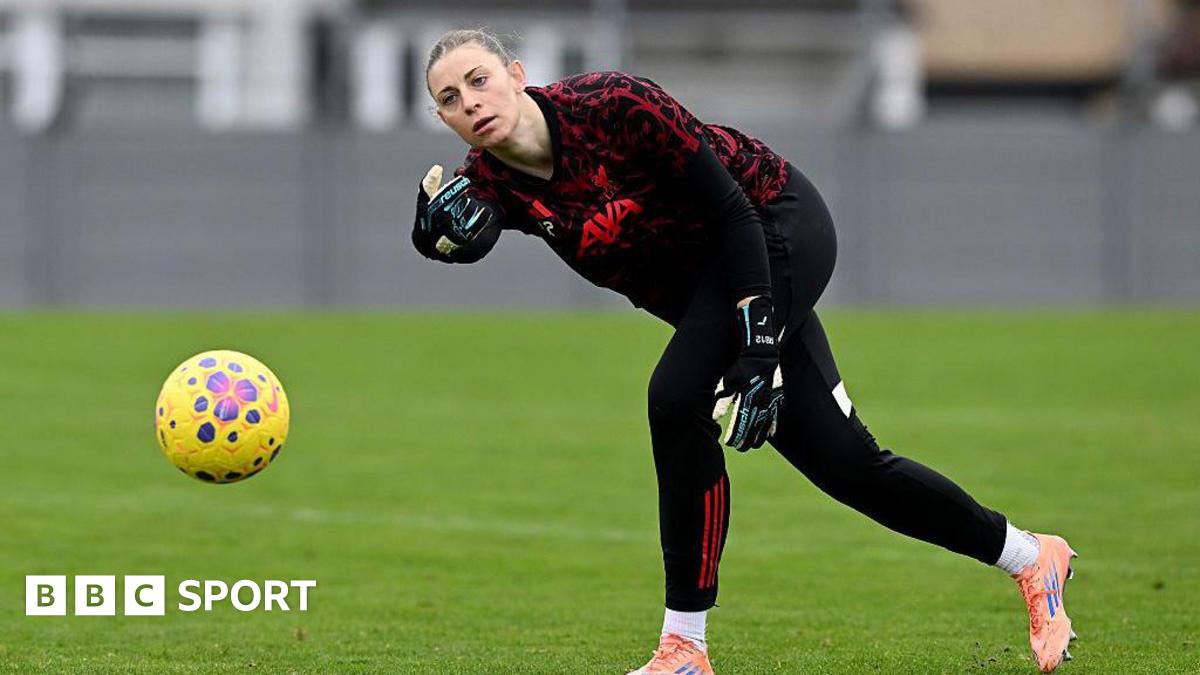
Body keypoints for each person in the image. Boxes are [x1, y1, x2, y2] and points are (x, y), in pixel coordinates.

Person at [413, 28, 1078, 675]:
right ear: (443, 118)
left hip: (776, 228)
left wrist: (758, 347)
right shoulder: (492, 183)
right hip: (718, 291)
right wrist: (429, 234)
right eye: (449, 97)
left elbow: (732, 209)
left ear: (518, 76)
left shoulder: (614, 105)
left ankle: (684, 647)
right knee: (849, 465)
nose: (469, 101)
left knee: (675, 399)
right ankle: (1029, 556)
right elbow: (464, 237)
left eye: (479, 79)